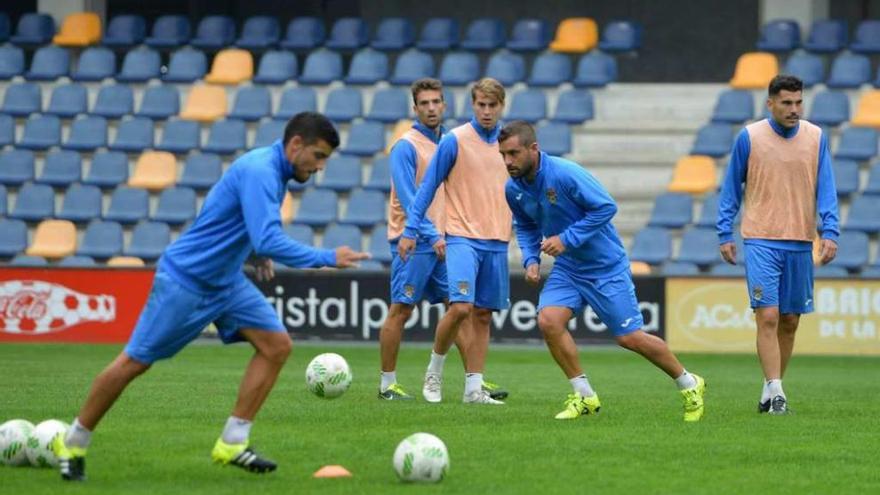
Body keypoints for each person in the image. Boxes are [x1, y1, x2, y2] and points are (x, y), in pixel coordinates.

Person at [52, 113, 369, 481]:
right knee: (134, 363)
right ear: (295, 144)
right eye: (318, 156)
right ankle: (73, 440)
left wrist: (253, 252)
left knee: (276, 346)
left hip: (226, 283)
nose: (319, 167)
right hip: (186, 281)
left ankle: (233, 442)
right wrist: (328, 257)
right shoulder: (261, 171)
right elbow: (266, 235)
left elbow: (228, 218)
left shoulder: (273, 171)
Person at [500, 120, 706, 422]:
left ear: (533, 148)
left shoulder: (565, 174)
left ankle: (689, 383)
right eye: (503, 154)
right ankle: (584, 396)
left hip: (605, 267)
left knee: (630, 338)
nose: (507, 161)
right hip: (569, 268)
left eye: (514, 153)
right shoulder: (513, 189)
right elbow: (527, 225)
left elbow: (606, 207)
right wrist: (532, 259)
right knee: (548, 320)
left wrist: (566, 239)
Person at [717, 74, 839, 415]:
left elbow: (826, 187)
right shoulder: (750, 137)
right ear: (770, 103)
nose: (794, 109)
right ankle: (778, 392)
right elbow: (731, 187)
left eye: (799, 102)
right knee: (767, 315)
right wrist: (724, 231)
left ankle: (769, 389)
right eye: (786, 102)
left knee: (790, 321)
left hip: (801, 240)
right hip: (760, 238)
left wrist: (830, 231)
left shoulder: (816, 137)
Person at [379, 78, 507, 401]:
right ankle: (387, 384)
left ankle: (473, 381)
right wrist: (428, 234)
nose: (432, 108)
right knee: (401, 310)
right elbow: (411, 200)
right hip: (416, 242)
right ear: (415, 108)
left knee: (459, 308)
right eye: (425, 103)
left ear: (445, 105)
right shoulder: (405, 146)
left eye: (436, 102)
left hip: (443, 240)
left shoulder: (446, 142)